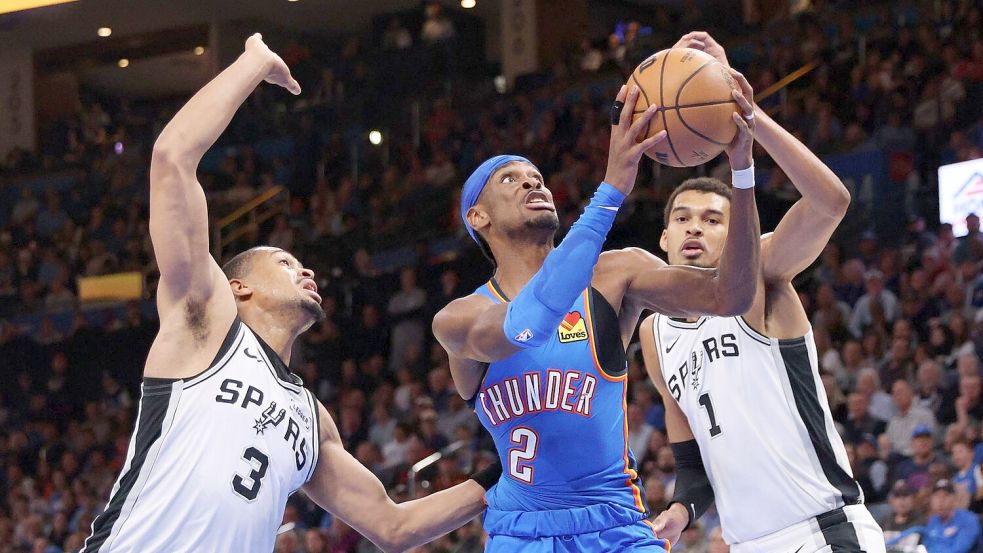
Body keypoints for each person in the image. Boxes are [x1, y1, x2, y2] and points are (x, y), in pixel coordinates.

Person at [83, 35, 493, 553]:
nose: (305, 270)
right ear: (237, 287)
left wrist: (509, 470)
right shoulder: (205, 323)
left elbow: (393, 527)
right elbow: (172, 158)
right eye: (284, 262)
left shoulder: (311, 418)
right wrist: (252, 65)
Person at [432, 54, 762, 550]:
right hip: (523, 533)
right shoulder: (460, 318)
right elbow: (531, 323)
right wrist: (611, 190)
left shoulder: (616, 272)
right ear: (478, 217)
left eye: (536, 176)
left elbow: (732, 295)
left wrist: (742, 171)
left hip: (615, 524)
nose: (533, 182)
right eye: (510, 179)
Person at [641, 31, 885, 553]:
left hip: (822, 531)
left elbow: (830, 203)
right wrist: (681, 512)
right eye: (682, 218)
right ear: (663, 238)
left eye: (713, 220)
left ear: (739, 234)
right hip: (747, 543)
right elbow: (692, 463)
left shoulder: (762, 275)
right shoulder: (653, 334)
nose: (694, 227)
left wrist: (744, 113)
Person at [887, 479, 981, 552]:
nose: (940, 501)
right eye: (936, 496)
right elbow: (927, 546)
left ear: (954, 498)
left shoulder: (968, 519)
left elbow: (959, 549)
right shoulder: (933, 521)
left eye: (945, 496)